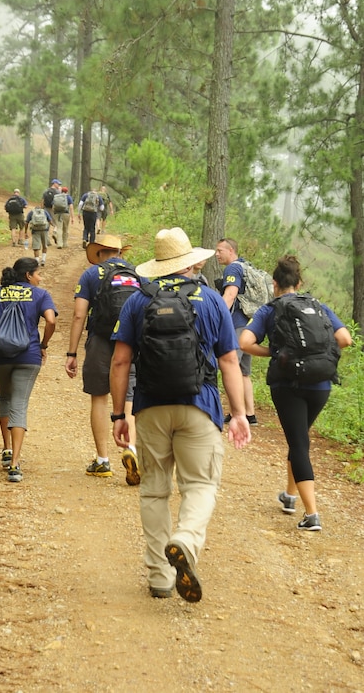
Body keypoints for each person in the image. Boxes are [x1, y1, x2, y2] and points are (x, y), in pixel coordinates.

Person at [110, 227, 251, 601]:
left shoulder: (138, 301)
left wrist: (118, 415)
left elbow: (121, 361)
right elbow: (229, 361)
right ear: (191, 262)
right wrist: (237, 414)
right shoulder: (212, 300)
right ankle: (186, 540)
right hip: (199, 406)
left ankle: (159, 576)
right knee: (200, 485)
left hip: (151, 409)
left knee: (155, 492)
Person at [238, 255, 351, 531]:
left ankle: (311, 514)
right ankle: (290, 496)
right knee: (298, 438)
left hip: (288, 386)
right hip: (321, 384)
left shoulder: (270, 310)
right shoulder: (318, 306)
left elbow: (244, 341)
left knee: (299, 444)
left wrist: (274, 353)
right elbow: (345, 339)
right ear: (299, 283)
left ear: (275, 284)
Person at [65, 234, 140, 485]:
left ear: (99, 253)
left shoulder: (91, 275)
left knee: (99, 397)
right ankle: (131, 448)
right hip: (129, 342)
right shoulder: (137, 273)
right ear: (120, 252)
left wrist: (72, 353)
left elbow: (78, 316)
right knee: (128, 397)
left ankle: (103, 461)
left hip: (100, 339)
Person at [0, 257, 57, 483]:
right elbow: (51, 321)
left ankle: (6, 448)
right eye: (38, 273)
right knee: (19, 403)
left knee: (4, 397)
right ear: (28, 275)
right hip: (28, 355)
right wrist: (43, 345)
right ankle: (15, 465)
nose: (40, 277)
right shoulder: (41, 295)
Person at [215, 237, 257, 425]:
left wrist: (218, 318)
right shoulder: (246, 266)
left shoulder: (232, 268)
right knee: (244, 372)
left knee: (231, 366)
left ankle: (235, 412)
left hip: (237, 324)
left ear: (231, 250)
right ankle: (250, 414)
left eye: (220, 251)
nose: (217, 254)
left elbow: (230, 295)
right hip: (250, 326)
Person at [42, 179, 62, 244]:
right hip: (54, 209)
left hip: (45, 208)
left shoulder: (46, 191)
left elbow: (42, 200)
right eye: (58, 184)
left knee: (47, 224)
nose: (58, 185)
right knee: (56, 223)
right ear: (54, 183)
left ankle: (47, 241)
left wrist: (42, 208)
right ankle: (54, 232)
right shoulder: (57, 192)